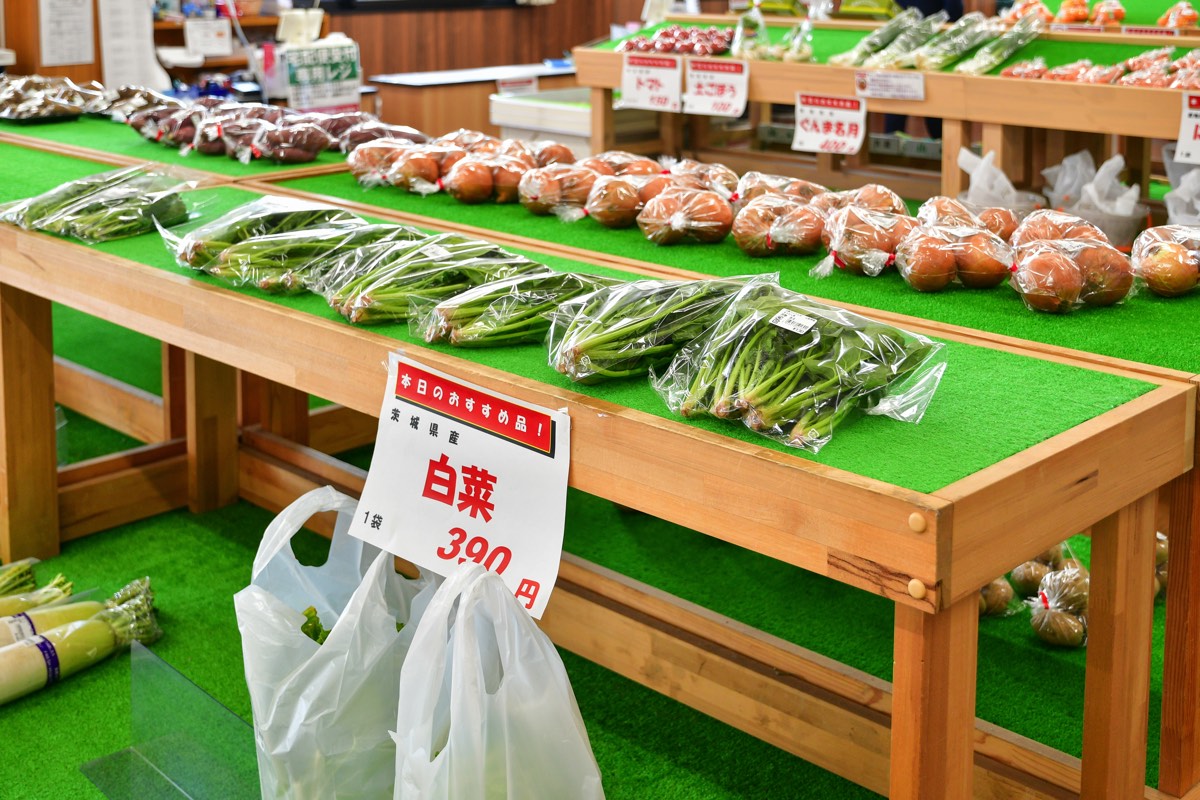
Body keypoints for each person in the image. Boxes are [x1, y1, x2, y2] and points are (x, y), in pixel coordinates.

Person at [884, 0, 964, 140]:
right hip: (899, 47)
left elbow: (954, 13)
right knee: (896, 108)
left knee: (934, 109)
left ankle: (942, 151)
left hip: (931, 49)